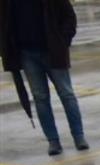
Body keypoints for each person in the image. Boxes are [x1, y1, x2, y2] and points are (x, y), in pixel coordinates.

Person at [0, 0, 88, 156]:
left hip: (53, 50)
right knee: (40, 97)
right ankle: (53, 141)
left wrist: (62, 41)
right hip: (27, 54)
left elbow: (69, 16)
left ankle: (79, 136)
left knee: (66, 94)